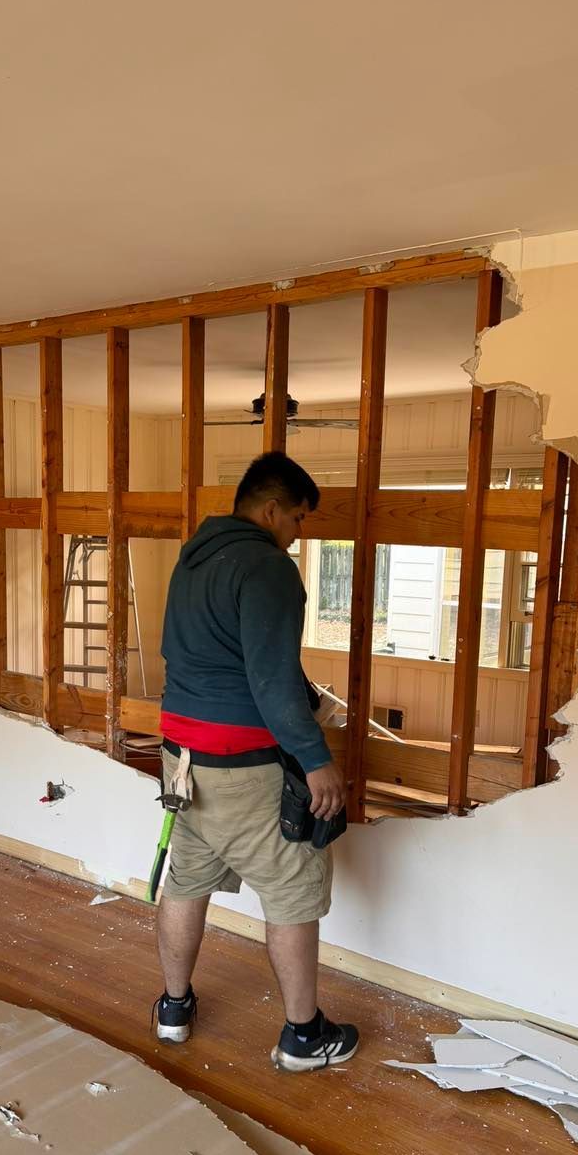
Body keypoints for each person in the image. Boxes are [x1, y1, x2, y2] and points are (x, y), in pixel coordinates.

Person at [155, 451, 357, 1071]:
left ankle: (173, 1009)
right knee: (293, 888)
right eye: (298, 518)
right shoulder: (268, 568)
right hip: (242, 764)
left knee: (186, 880)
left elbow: (226, 657)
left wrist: (304, 699)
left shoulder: (195, 558)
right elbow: (266, 680)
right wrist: (316, 759)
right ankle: (304, 1038)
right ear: (271, 509)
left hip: (181, 758)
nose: (300, 532)